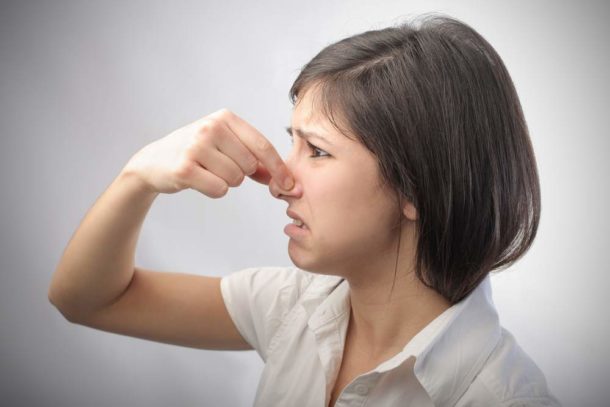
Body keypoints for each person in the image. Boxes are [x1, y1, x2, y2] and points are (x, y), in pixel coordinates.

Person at [48, 13, 561, 407]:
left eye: (316, 151)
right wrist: (139, 176)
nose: (279, 181)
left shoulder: (501, 396)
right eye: (290, 141)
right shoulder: (291, 307)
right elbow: (86, 299)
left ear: (417, 186)